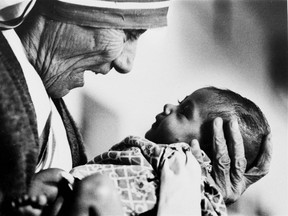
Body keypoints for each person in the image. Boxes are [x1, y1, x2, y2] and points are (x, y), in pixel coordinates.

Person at [0, 0, 272, 215]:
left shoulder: (51, 105)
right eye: (129, 33)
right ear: (76, 6)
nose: (126, 64)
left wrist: (189, 193)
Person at [14, 87, 270, 216]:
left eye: (183, 112)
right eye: (180, 103)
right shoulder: (145, 151)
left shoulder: (188, 171)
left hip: (105, 203)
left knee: (97, 190)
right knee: (52, 177)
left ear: (204, 152)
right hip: (74, 190)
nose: (169, 106)